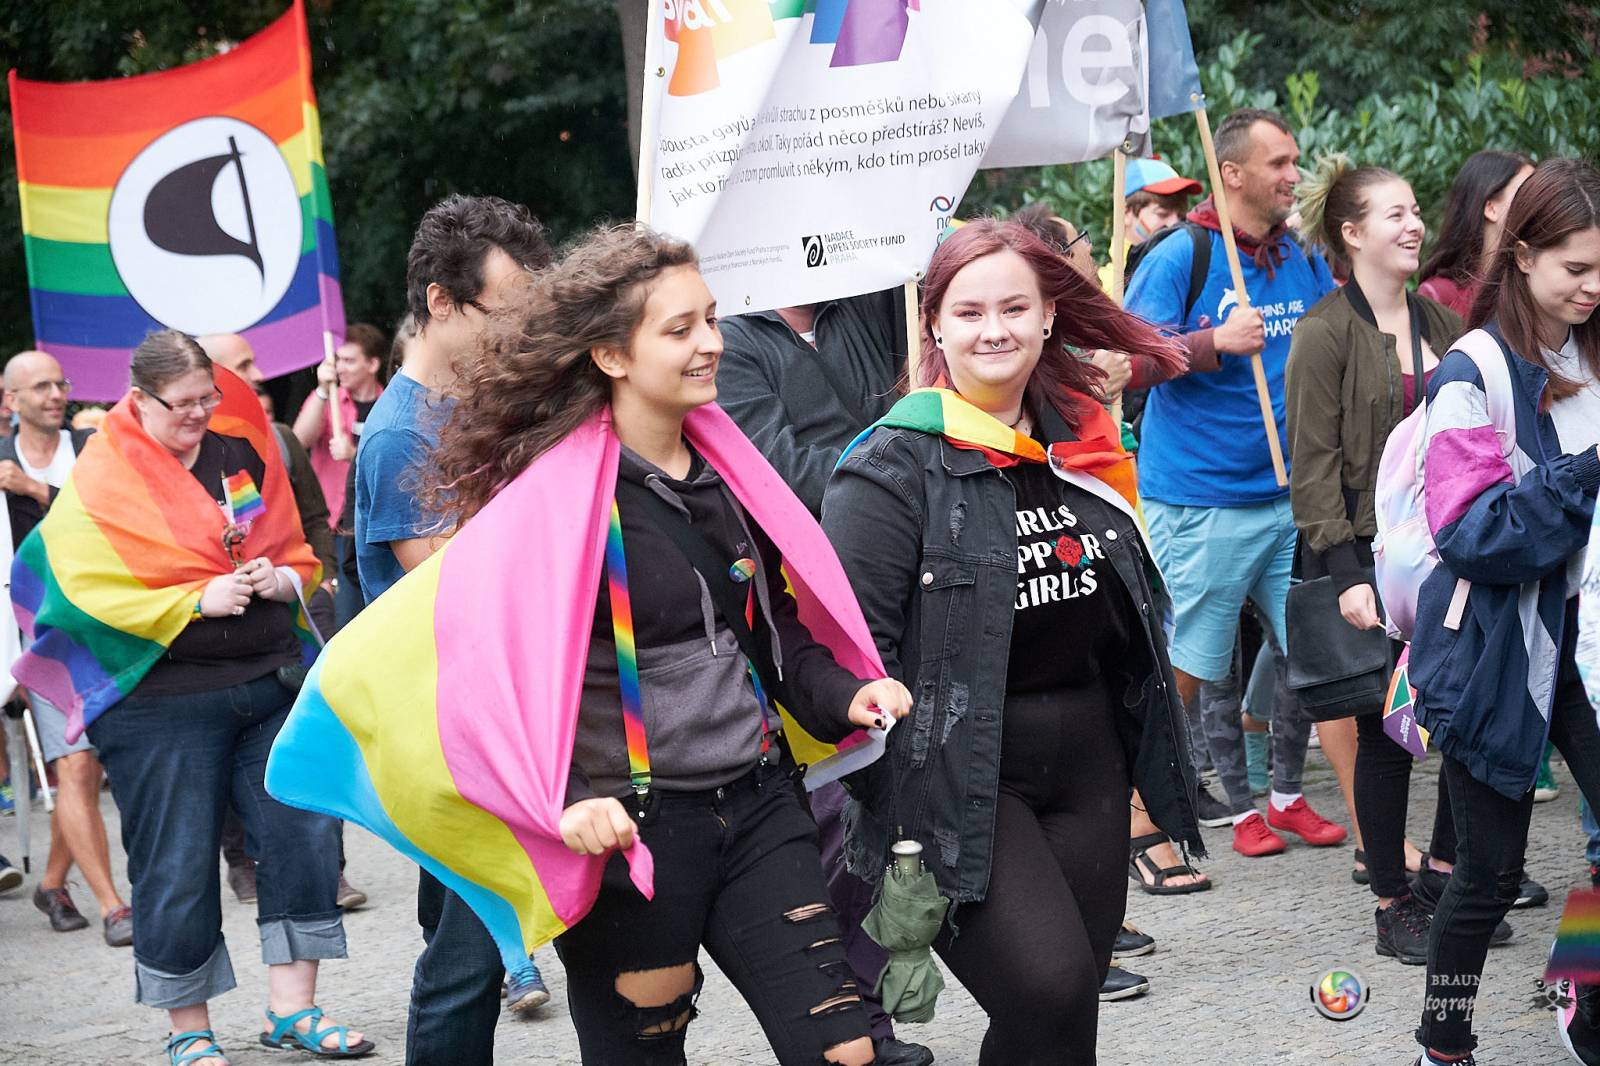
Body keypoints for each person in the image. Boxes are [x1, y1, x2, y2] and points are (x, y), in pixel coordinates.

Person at [823, 219, 1200, 1064]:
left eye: (1014, 308)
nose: (994, 329)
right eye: (970, 312)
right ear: (936, 327)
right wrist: (894, 811)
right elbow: (855, 658)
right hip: (958, 777)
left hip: (1090, 761)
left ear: (1047, 318)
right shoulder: (888, 467)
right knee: (1049, 983)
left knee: (1065, 1019)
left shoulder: (1084, 446)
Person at [11, 330, 371, 1066]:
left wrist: (285, 578)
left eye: (210, 396)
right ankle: (189, 1031)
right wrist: (188, 600)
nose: (201, 413)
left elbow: (286, 540)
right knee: (174, 865)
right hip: (159, 705)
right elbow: (76, 586)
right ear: (139, 399)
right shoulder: (102, 476)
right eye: (183, 404)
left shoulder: (239, 446)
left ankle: (292, 1010)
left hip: (269, 682)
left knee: (305, 842)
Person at [1407, 158, 1600, 1066]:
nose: (1593, 288)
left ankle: (1583, 994)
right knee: (1483, 876)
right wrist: (1587, 472)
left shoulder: (1592, 345)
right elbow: (1471, 532)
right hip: (1501, 654)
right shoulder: (1472, 369)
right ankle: (1443, 1042)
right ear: (1520, 257)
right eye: (1576, 269)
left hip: (1588, 647)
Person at [355, 194, 555, 1059]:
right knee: (466, 962)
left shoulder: (479, 404)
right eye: (502, 312)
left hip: (498, 723)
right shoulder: (399, 437)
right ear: (441, 301)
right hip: (455, 738)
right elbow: (460, 595)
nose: (517, 332)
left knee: (468, 941)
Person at [717, 289, 938, 1065]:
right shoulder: (729, 341)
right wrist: (903, 472)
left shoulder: (877, 299)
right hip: (808, 605)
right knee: (837, 820)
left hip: (899, 580)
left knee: (899, 801)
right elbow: (778, 474)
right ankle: (863, 1025)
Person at [1123, 107, 1349, 863]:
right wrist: (1210, 343)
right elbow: (1123, 359)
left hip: (1295, 498)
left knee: (1327, 658)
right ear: (1232, 174)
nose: (1294, 175)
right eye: (1279, 163)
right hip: (1202, 502)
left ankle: (1369, 834)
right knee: (1193, 667)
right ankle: (1137, 818)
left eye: (1293, 161)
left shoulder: (1298, 255)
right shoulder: (1179, 254)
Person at [1286, 156, 1466, 965]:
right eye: (1394, 213)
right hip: (1363, 561)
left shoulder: (1441, 326)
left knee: (1465, 723)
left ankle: (1445, 877)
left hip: (1448, 556)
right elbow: (1314, 465)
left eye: (1417, 209)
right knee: (1387, 733)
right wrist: (1345, 575)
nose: (1414, 224)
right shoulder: (1324, 331)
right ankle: (1392, 900)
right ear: (1351, 233)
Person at [198, 333, 369, 913]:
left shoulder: (275, 441)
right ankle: (242, 860)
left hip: (295, 609)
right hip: (213, 632)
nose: (259, 372)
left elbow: (316, 516)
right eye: (243, 364)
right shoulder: (175, 458)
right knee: (225, 746)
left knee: (313, 733)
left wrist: (316, 579)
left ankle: (332, 868)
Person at [0, 351, 131, 946]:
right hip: (34, 631)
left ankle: (52, 880)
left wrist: (34, 489)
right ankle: (113, 905)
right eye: (42, 386)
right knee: (73, 761)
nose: (57, 394)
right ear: (11, 400)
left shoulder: (93, 446)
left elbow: (112, 518)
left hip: (102, 620)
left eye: (62, 383)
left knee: (90, 762)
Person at [294, 324, 386, 631]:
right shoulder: (329, 398)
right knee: (338, 615)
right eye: (337, 360)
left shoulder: (389, 405)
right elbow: (299, 440)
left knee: (374, 610)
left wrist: (355, 454)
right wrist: (321, 391)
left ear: (372, 364)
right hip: (334, 525)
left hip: (374, 524)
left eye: (348, 360)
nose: (339, 367)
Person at [1417, 150, 1535, 320]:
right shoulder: (1439, 295)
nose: (1539, 201)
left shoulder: (1538, 285)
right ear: (1491, 208)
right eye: (1526, 192)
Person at [1096, 156, 1204, 292]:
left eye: (1181, 216)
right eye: (1162, 214)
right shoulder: (1104, 289)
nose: (1175, 224)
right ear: (1125, 214)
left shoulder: (1189, 268)